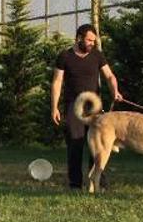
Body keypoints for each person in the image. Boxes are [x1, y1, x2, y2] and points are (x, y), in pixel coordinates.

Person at [50, 24, 123, 190]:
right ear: (79, 38)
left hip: (94, 108)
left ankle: (98, 183)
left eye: (94, 41)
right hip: (73, 107)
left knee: (98, 147)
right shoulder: (65, 56)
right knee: (75, 145)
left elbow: (110, 76)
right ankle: (75, 185)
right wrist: (54, 107)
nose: (92, 43)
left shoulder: (97, 55)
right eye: (89, 40)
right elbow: (57, 82)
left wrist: (115, 91)